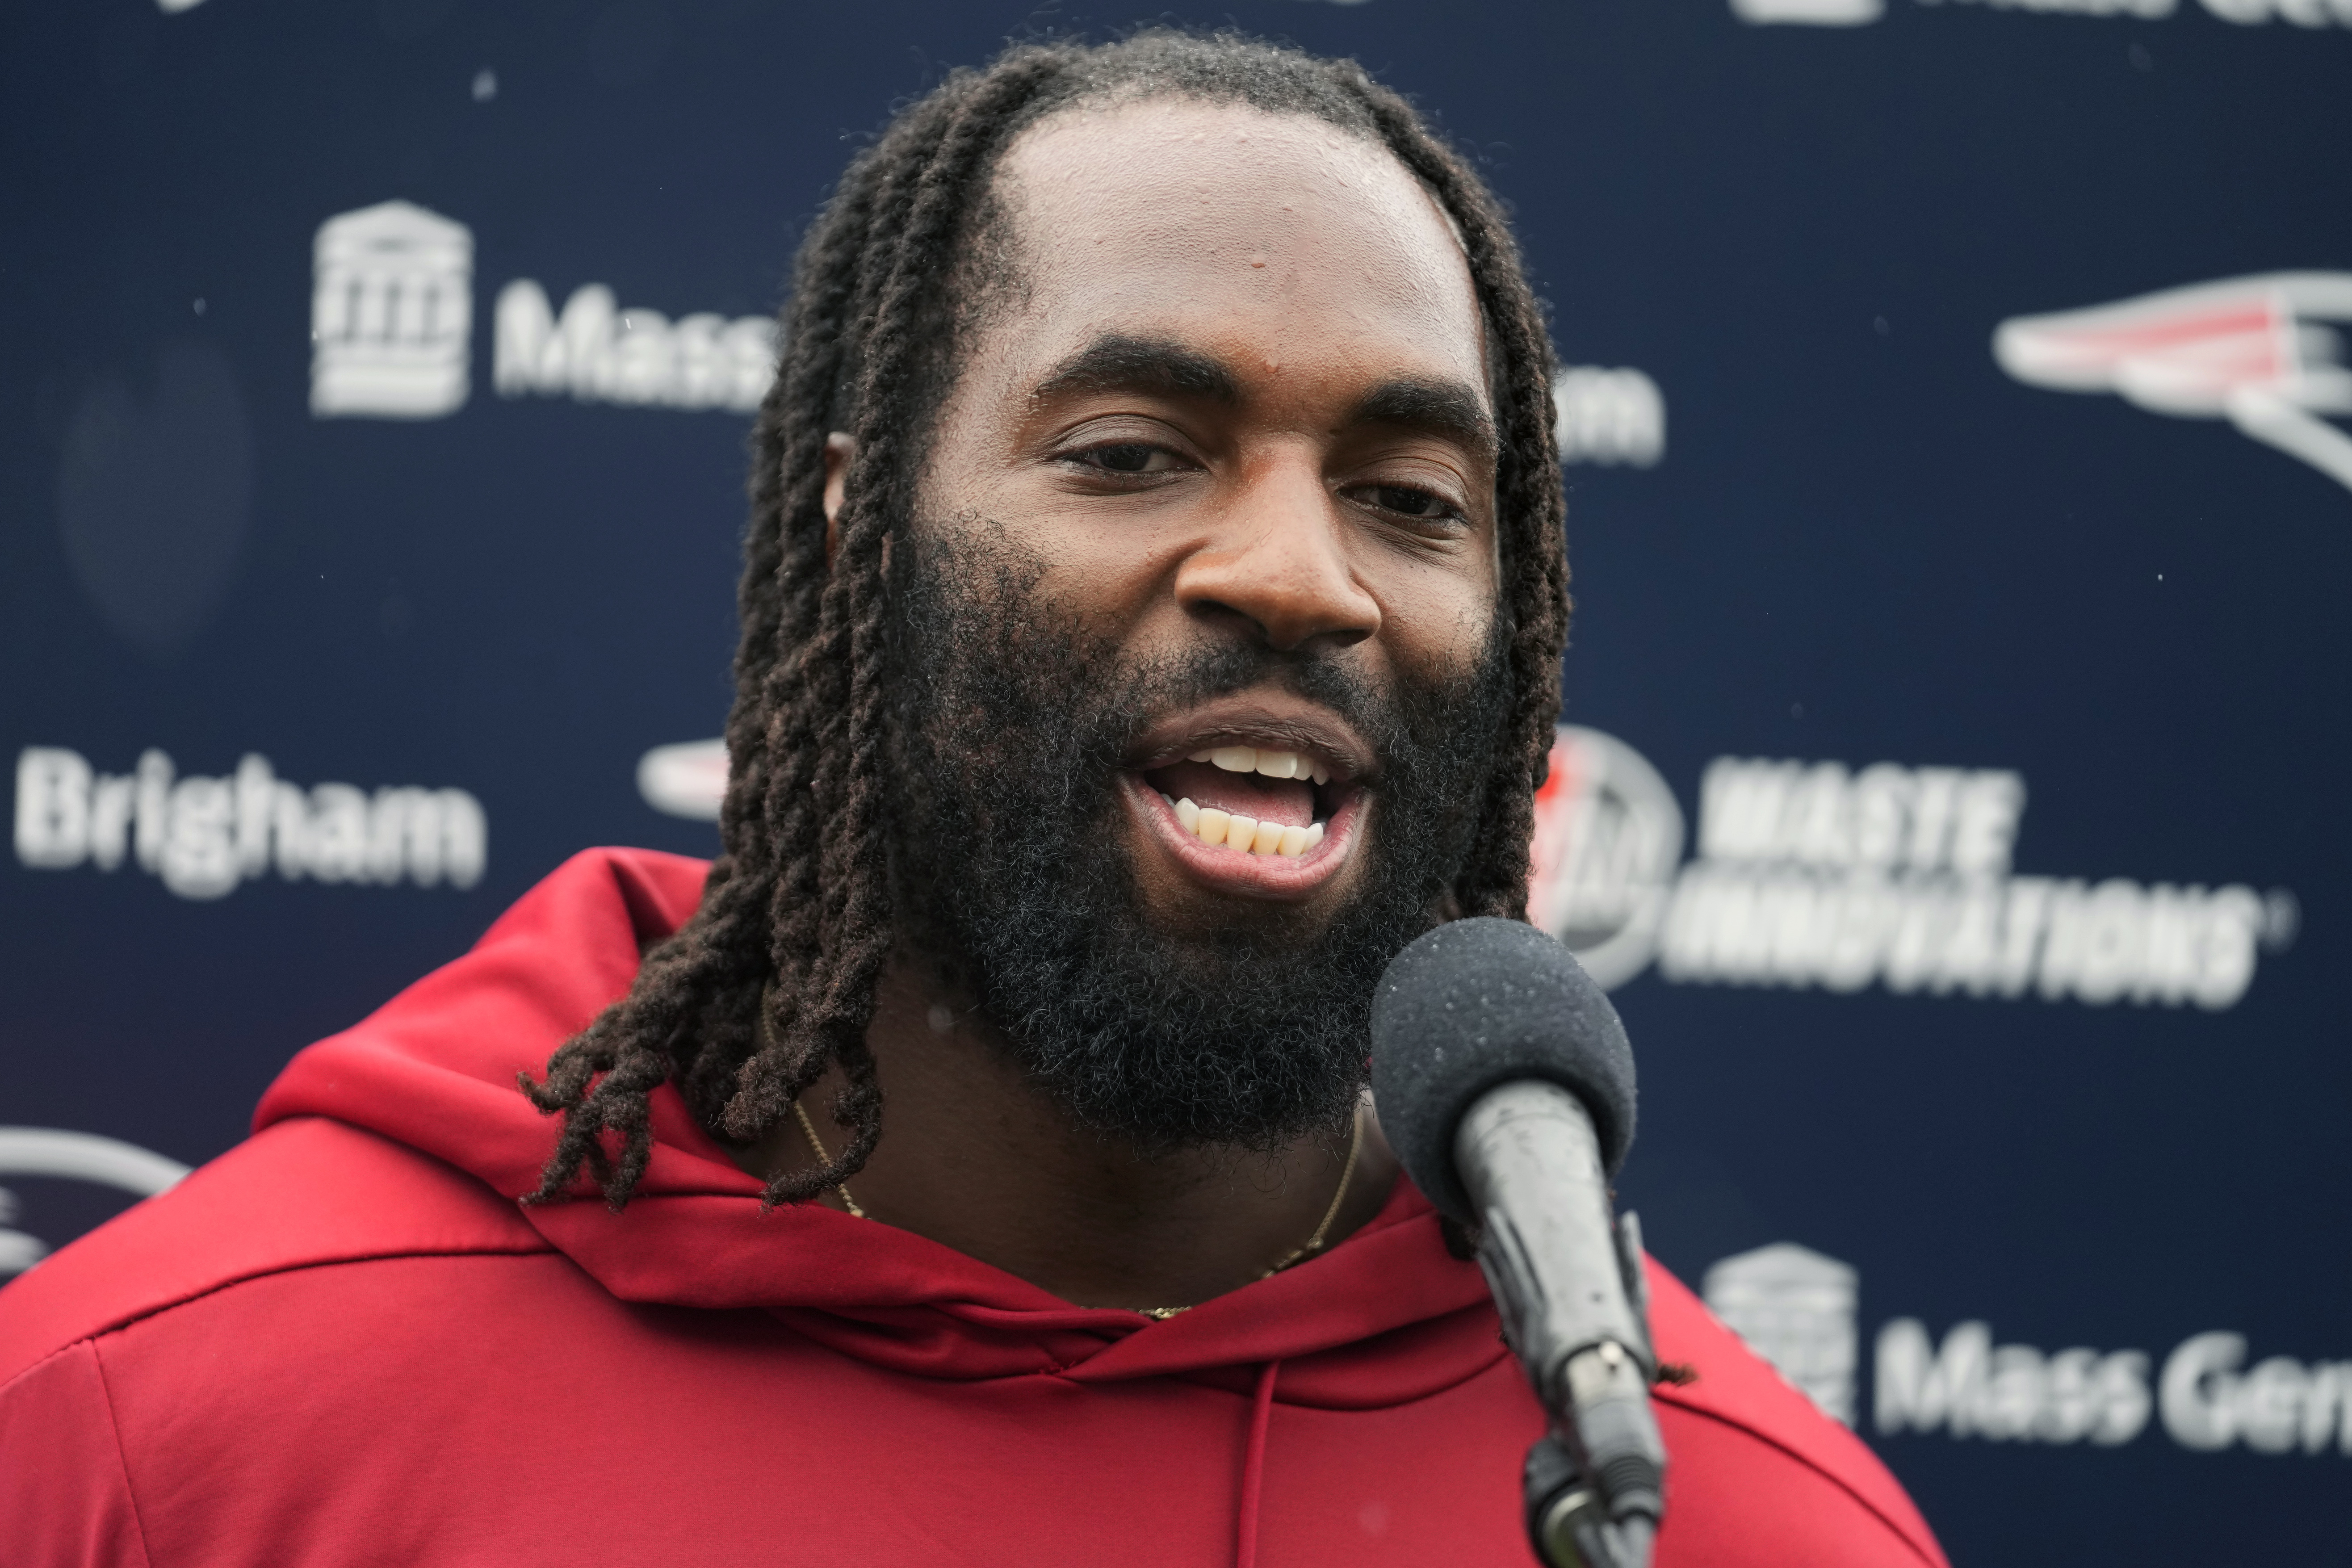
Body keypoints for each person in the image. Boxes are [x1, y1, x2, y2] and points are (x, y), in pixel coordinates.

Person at [0, 32, 1945, 1567]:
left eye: (1412, 496)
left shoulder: (1705, 1511)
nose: (1301, 571)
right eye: (1131, 450)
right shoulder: (169, 1423)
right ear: (862, 545)